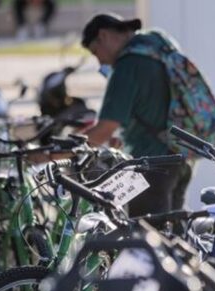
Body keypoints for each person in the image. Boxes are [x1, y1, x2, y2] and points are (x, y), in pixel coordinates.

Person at [80, 13, 191, 217]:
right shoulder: (154, 51)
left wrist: (63, 153)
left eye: (96, 52)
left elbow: (105, 127)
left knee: (144, 238)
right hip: (179, 158)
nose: (100, 61)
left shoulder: (128, 65)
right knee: (174, 234)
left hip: (150, 165)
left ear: (103, 36)